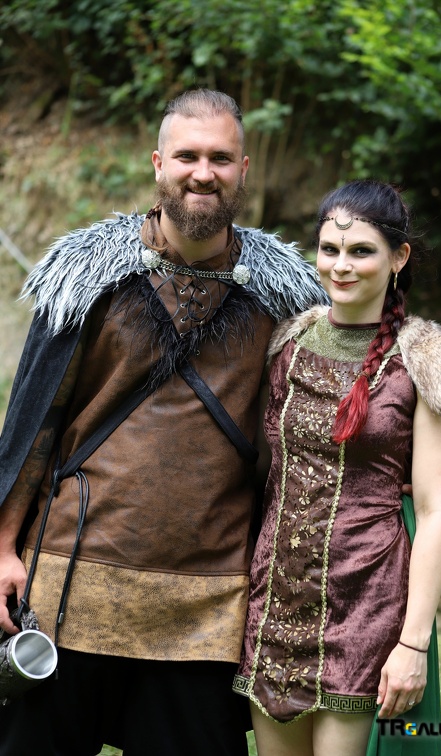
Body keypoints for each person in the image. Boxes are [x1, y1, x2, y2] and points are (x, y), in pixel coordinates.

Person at [0, 88, 328, 756]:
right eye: (187, 156)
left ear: (243, 169)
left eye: (220, 158)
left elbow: (306, 431)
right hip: (70, 586)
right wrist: (2, 547)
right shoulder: (86, 277)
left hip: (206, 608)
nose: (203, 173)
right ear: (158, 163)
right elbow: (34, 422)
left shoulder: (289, 299)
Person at [233, 179, 441, 756]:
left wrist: (413, 643)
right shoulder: (287, 343)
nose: (341, 265)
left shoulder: (427, 362)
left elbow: (436, 510)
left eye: (361, 251)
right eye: (330, 249)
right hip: (276, 598)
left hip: (366, 604)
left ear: (399, 258)